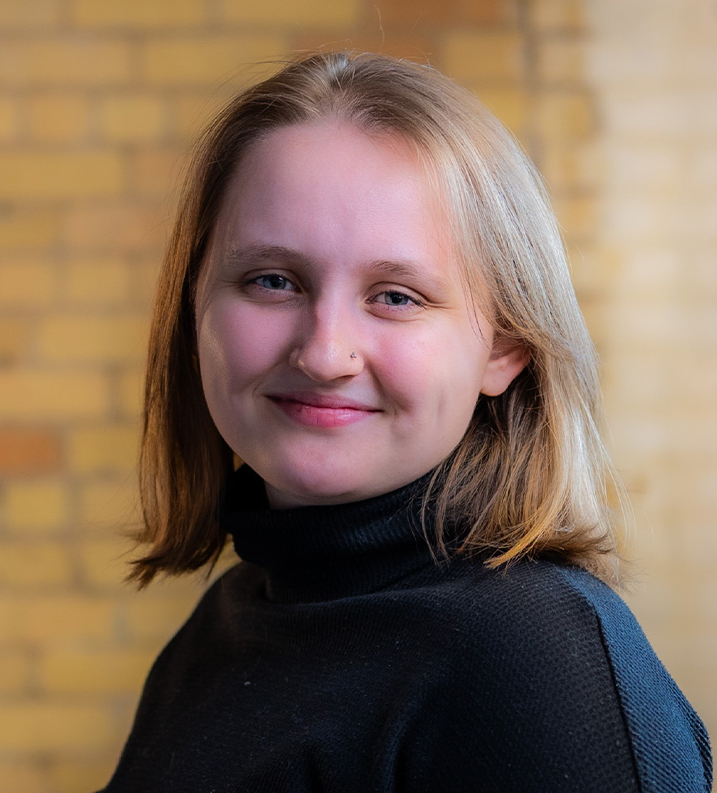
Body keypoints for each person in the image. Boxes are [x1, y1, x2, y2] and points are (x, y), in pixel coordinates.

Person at [99, 52, 712, 792]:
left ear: (504, 346)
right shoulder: (228, 623)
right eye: (272, 280)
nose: (325, 353)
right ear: (194, 308)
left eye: (396, 296)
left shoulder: (539, 668)